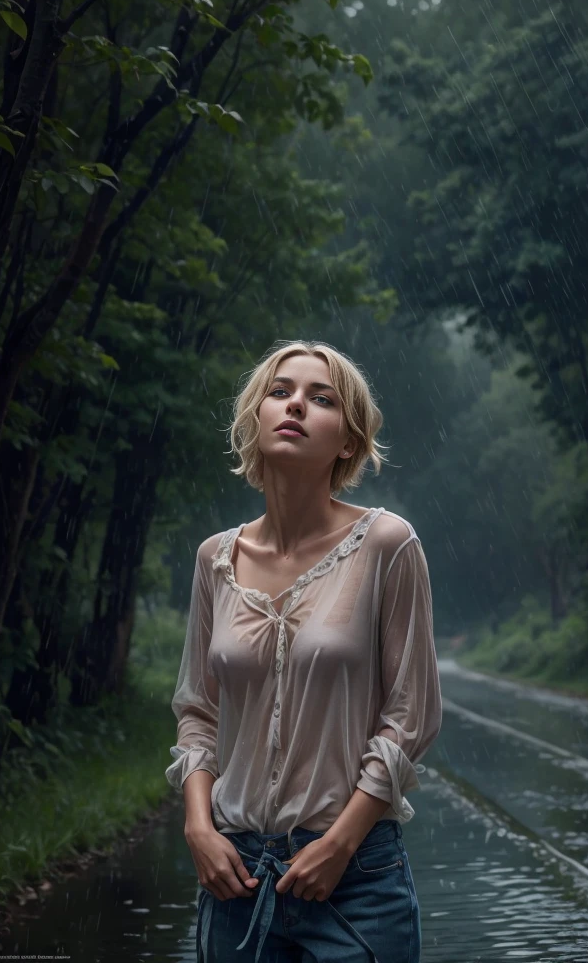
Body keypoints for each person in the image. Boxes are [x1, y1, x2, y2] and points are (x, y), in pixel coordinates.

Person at [165, 339, 444, 962]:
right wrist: (198, 829)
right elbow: (198, 712)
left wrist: (340, 844)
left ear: (348, 441)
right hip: (233, 873)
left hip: (355, 880)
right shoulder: (216, 558)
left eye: (321, 399)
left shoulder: (388, 545)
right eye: (280, 391)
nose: (295, 406)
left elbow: (410, 717)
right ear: (255, 417)